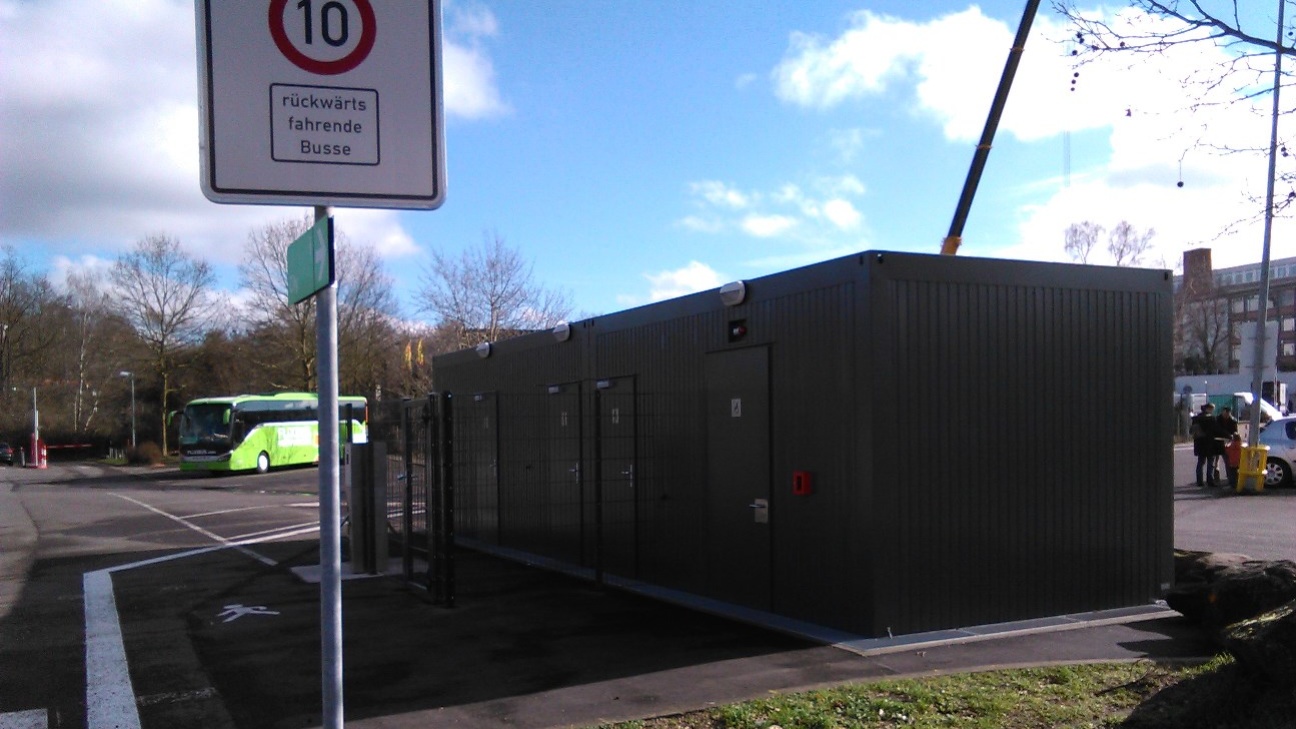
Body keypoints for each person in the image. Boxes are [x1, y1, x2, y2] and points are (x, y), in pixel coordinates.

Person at [1192, 403, 1219, 487]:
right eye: (1212, 409)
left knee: (1200, 463)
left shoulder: (1196, 418)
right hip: (1209, 443)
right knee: (1210, 463)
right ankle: (1210, 480)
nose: (1212, 410)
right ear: (1208, 409)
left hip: (1199, 444)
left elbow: (1192, 431)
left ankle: (1199, 481)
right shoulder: (1211, 418)